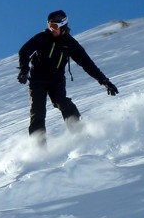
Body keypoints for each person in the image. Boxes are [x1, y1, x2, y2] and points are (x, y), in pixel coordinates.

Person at [17, 10, 118, 143]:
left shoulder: (70, 43)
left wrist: (104, 81)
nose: (51, 29)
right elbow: (24, 52)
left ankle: (80, 133)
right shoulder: (42, 37)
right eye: (49, 26)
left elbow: (87, 64)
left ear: (63, 25)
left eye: (54, 26)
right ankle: (38, 148)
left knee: (63, 102)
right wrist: (24, 69)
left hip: (56, 80)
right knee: (38, 112)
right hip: (37, 79)